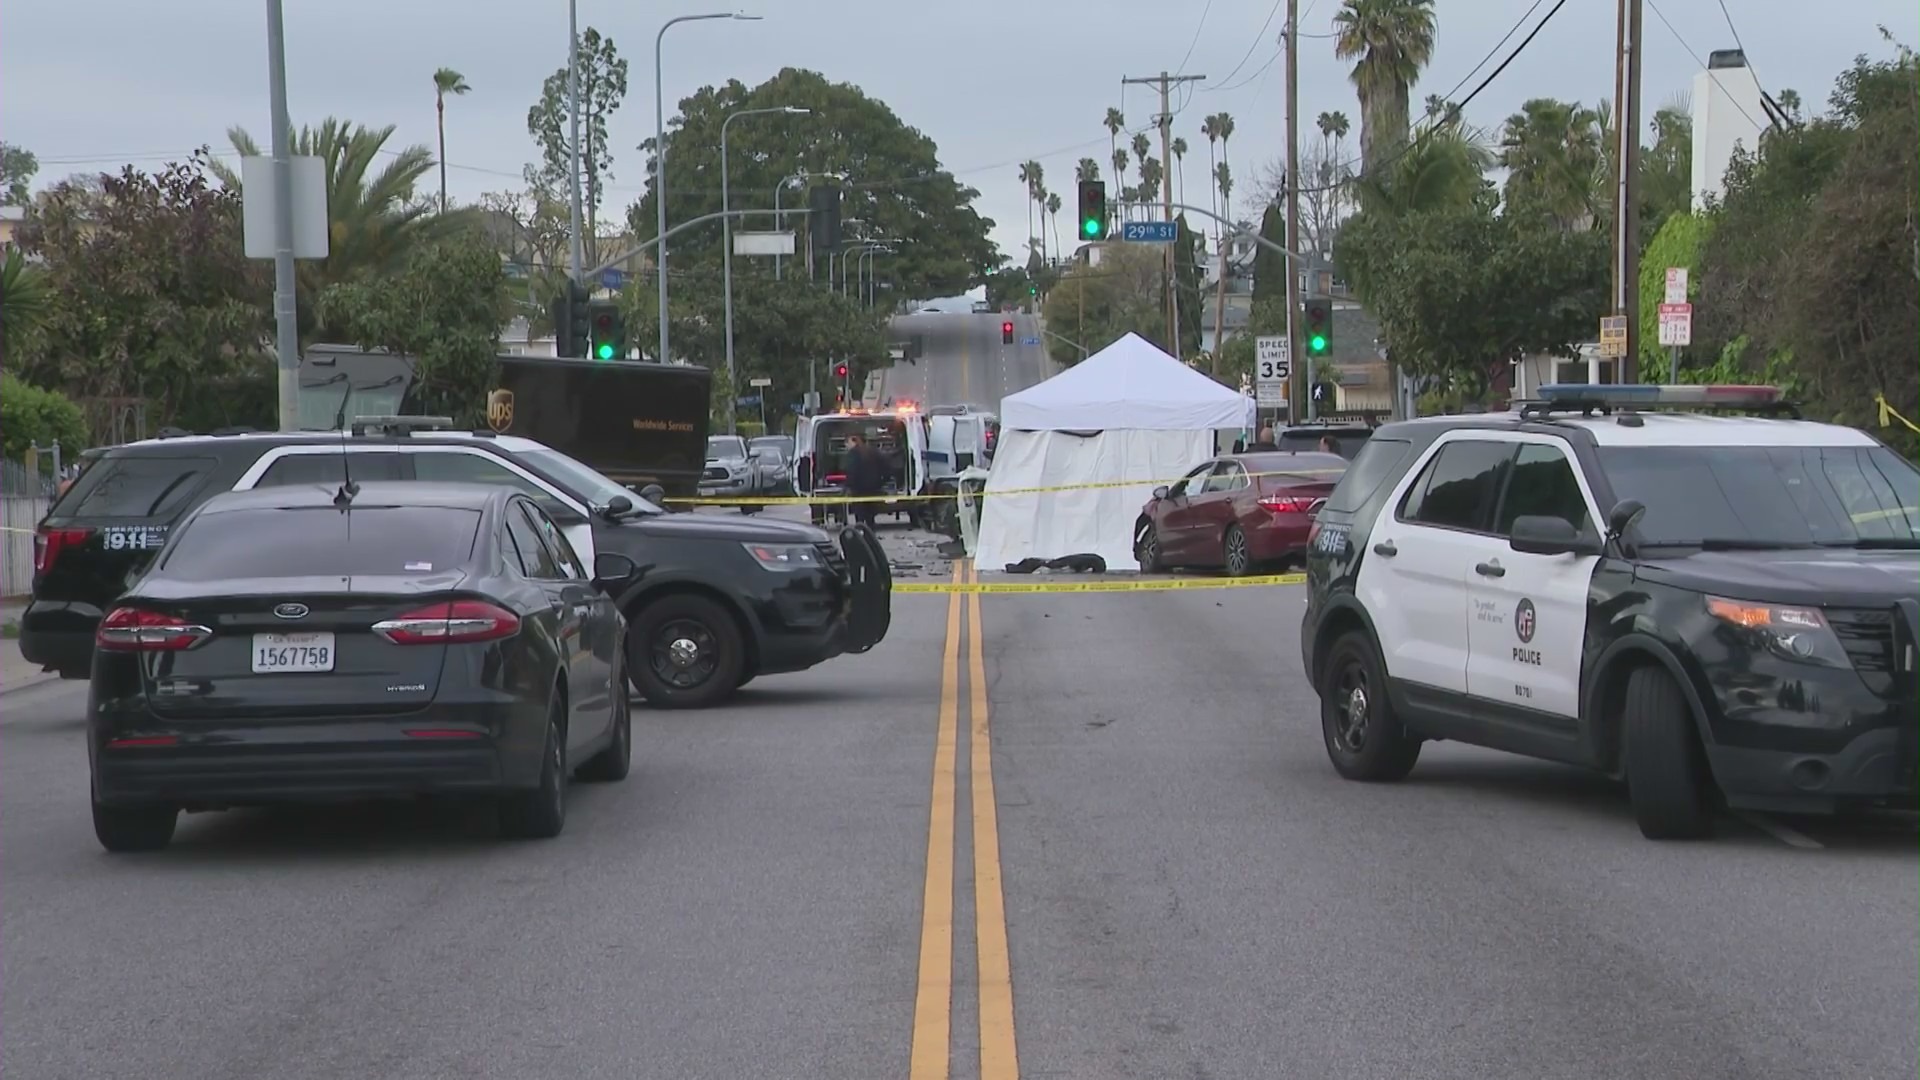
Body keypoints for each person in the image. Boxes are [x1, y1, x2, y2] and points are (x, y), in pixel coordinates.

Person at [843, 433, 883, 528]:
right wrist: (881, 481)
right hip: (873, 487)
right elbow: (884, 466)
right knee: (870, 513)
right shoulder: (873, 451)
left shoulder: (853, 454)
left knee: (859, 513)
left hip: (858, 489)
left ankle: (860, 531)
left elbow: (851, 471)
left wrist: (848, 486)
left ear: (854, 441)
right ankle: (871, 531)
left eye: (847, 443)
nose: (846, 446)